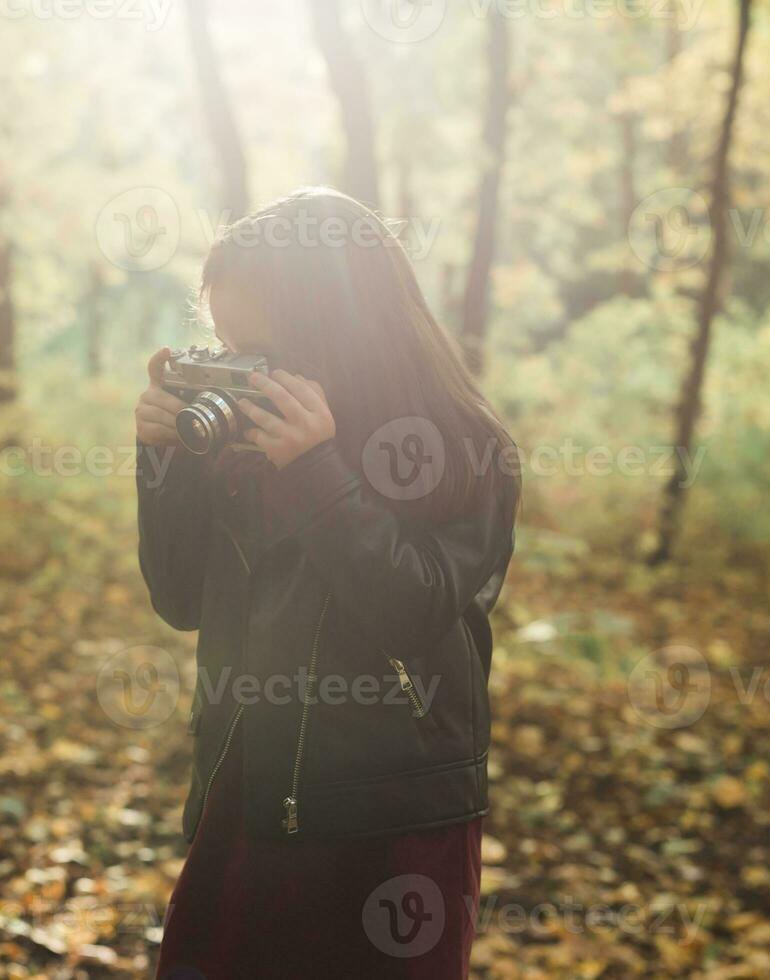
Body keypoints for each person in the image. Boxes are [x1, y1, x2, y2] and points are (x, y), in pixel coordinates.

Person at [135, 188, 519, 979]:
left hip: (393, 818)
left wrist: (319, 475)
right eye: (228, 351)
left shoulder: (460, 446)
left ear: (339, 331)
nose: (245, 378)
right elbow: (177, 600)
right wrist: (165, 462)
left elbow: (413, 611)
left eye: (262, 355)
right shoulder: (242, 442)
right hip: (250, 790)